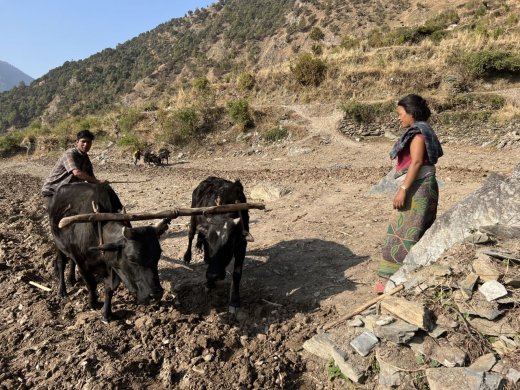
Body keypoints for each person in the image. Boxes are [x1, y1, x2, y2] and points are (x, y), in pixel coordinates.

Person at [377, 94, 443, 282]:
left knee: (401, 233)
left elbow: (416, 163)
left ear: (411, 113)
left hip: (417, 188)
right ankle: (412, 274)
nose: (399, 118)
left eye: (400, 113)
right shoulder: (424, 130)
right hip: (424, 186)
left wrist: (403, 189)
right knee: (417, 230)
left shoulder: (418, 134)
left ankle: (393, 279)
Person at [42, 129, 107, 209]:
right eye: (83, 141)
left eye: (89, 142)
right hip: (53, 191)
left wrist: (101, 184)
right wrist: (98, 181)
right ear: (77, 142)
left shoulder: (86, 159)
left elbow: (91, 179)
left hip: (69, 192)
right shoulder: (70, 153)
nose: (86, 144)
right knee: (56, 216)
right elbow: (76, 173)